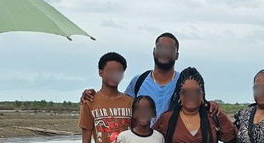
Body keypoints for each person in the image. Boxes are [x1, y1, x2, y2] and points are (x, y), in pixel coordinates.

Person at [80, 33, 221, 119]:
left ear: (177, 55)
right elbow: (120, 106)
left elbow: (197, 104)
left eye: (170, 49)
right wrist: (93, 95)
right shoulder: (138, 82)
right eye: (160, 48)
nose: (164, 52)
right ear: (154, 51)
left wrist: (211, 105)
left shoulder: (183, 82)